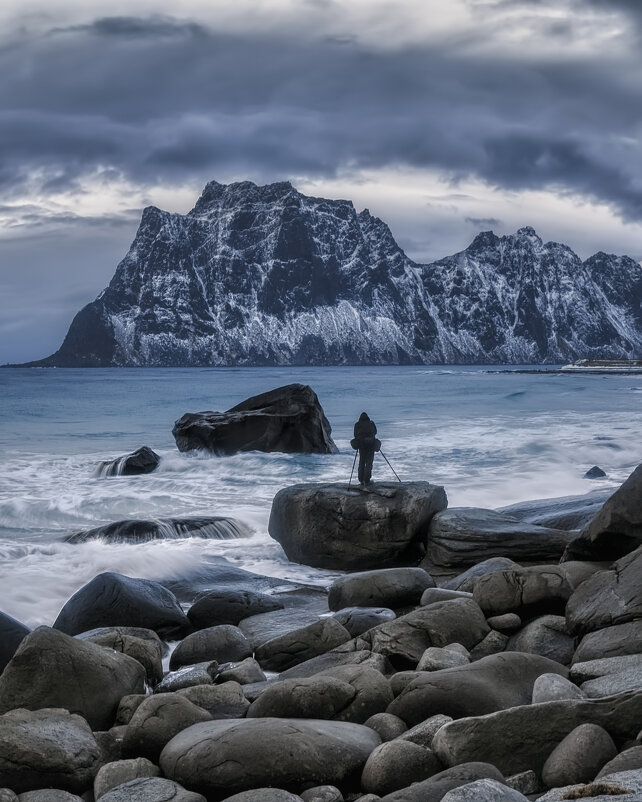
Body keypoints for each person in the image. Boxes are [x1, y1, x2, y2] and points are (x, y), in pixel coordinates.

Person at [352, 412, 378, 486]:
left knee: (361, 462)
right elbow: (375, 432)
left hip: (361, 445)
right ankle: (367, 480)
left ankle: (361, 480)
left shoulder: (357, 424)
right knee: (369, 462)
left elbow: (355, 435)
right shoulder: (371, 423)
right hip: (371, 445)